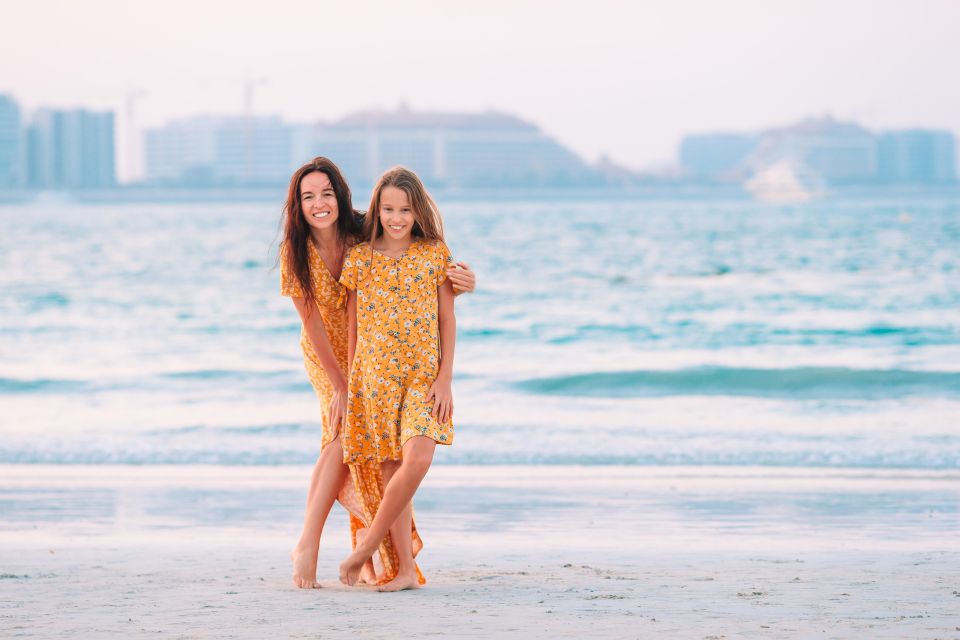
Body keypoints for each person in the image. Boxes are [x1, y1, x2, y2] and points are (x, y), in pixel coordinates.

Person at [280, 158, 475, 589]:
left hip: (388, 361)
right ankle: (308, 543)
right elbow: (313, 323)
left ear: (342, 196)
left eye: (327, 193)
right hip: (330, 355)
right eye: (308, 197)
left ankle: (372, 554)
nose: (319, 203)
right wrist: (341, 384)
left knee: (371, 459)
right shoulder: (296, 250)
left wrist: (464, 280)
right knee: (342, 438)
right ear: (298, 204)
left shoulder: (364, 230)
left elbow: (418, 246)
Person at [337, 166, 456, 592]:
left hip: (423, 380)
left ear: (417, 210)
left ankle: (367, 546)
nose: (397, 218)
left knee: (418, 460)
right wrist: (352, 388)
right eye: (388, 209)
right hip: (375, 382)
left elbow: (447, 319)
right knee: (393, 476)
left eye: (404, 209)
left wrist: (445, 379)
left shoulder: (433, 253)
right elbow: (352, 327)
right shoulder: (360, 259)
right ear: (377, 210)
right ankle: (404, 569)